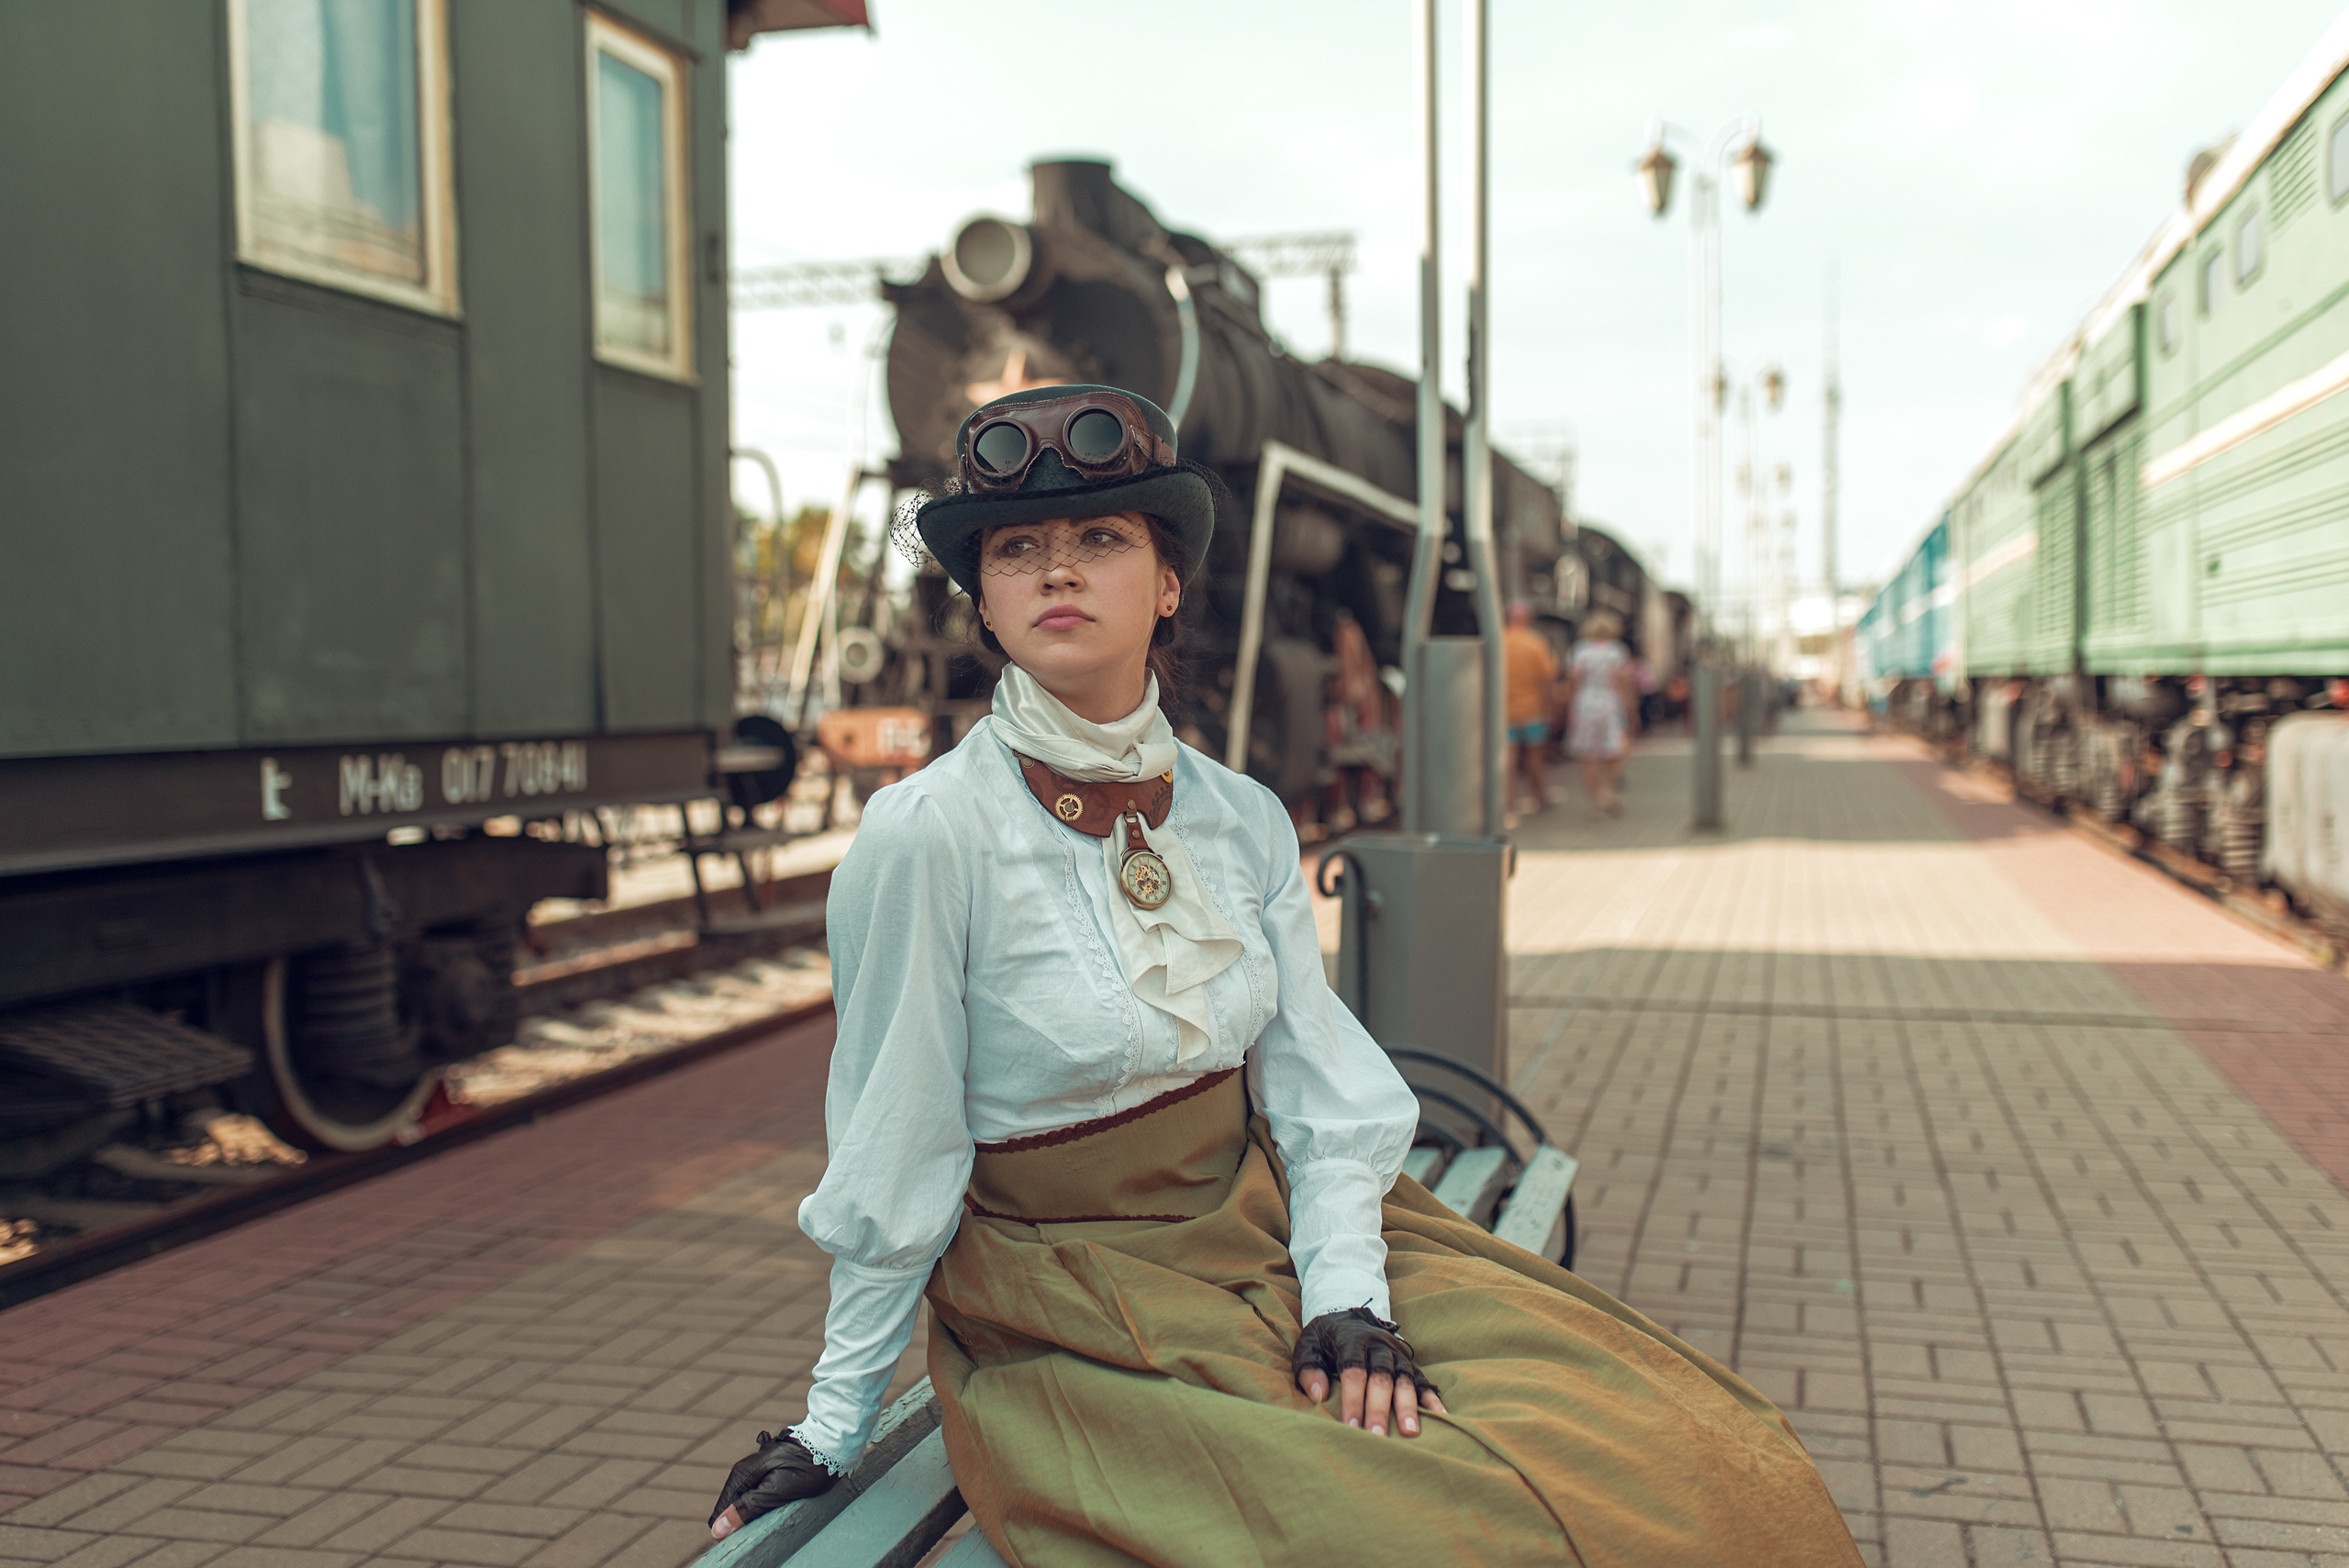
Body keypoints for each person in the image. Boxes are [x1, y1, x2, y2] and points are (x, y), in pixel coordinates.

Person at [706, 385, 1863, 1567]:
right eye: (1019, 551)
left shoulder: (1238, 815)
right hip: (1070, 1293)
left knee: (1687, 1448)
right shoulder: (926, 834)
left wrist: (1346, 1296)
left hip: (1268, 1222)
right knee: (1410, 1528)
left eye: (1101, 539)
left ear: (1166, 585)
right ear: (986, 603)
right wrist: (833, 1421)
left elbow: (1312, 1079)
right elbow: (897, 1145)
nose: (1058, 570)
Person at [1564, 610, 1640, 817]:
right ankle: (1607, 789)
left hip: (1585, 703)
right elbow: (1623, 682)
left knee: (1588, 755)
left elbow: (1574, 681)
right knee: (1614, 750)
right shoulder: (1616, 651)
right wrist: (1630, 709)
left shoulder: (1580, 651)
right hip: (1610, 704)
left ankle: (1593, 803)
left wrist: (1571, 707)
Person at [1501, 603, 1560, 818]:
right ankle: (1539, 798)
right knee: (1535, 757)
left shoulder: (1499, 642)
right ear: (1529, 619)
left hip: (1504, 712)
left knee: (1508, 758)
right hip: (1533, 711)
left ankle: (1509, 803)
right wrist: (1551, 706)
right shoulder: (1536, 643)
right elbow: (1546, 680)